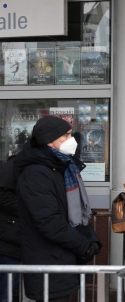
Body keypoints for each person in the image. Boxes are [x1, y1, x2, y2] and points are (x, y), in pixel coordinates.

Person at [14, 115, 101, 302]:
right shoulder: (36, 173)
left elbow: (75, 213)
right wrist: (84, 245)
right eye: (65, 135)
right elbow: (49, 222)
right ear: (49, 141)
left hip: (62, 261)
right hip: (48, 263)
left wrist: (91, 240)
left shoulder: (63, 167)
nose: (72, 140)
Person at [0, 155, 21, 302]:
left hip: (18, 238)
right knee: (6, 290)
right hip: (10, 238)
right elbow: (3, 196)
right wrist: (30, 208)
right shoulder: (16, 164)